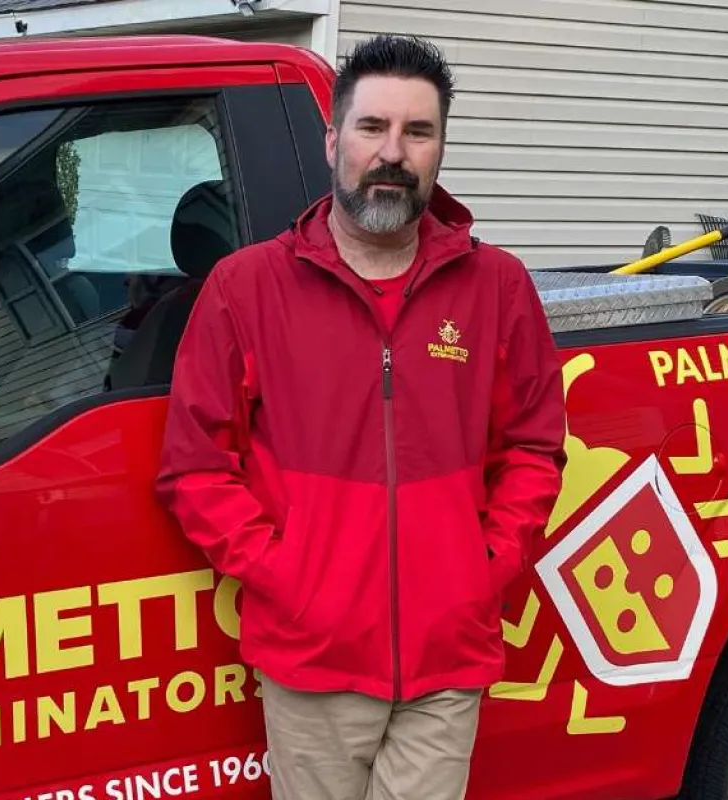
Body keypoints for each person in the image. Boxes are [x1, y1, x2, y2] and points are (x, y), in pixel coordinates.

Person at [155, 33, 567, 800]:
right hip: (312, 665)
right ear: (333, 138)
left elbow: (536, 449)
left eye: (419, 132)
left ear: (440, 149)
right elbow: (195, 467)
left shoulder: (498, 288)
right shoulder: (246, 289)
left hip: (446, 664)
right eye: (373, 127)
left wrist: (481, 570)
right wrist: (287, 576)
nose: (393, 153)